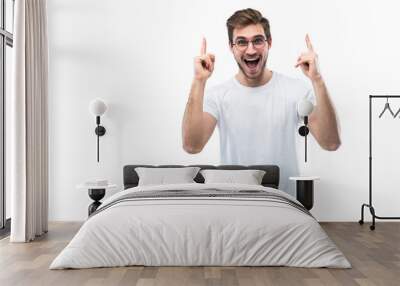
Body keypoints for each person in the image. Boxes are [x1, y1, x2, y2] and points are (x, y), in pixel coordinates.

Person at [181, 8, 341, 195]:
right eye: (241, 42)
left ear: (269, 43)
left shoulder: (296, 91)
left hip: (283, 202)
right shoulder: (217, 95)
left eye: (257, 40)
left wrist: (317, 79)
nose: (251, 49)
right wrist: (199, 81)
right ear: (231, 47)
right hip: (235, 202)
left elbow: (330, 143)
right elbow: (192, 145)